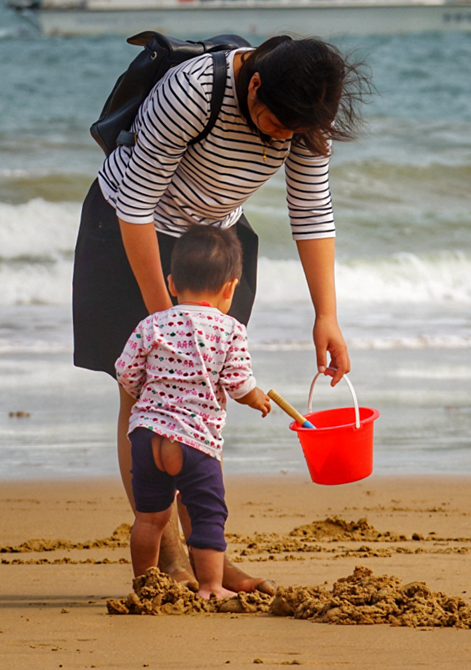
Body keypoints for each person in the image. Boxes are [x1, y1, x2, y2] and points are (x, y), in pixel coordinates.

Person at [72, 33, 367, 592]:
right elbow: (134, 205)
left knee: (205, 395)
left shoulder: (304, 119)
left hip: (213, 241)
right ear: (254, 84)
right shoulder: (193, 91)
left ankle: (208, 551)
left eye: (292, 133)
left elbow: (310, 210)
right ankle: (168, 553)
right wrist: (170, 327)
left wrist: (326, 315)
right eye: (274, 124)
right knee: (146, 395)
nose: (281, 138)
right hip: (133, 232)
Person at [115, 227, 272, 597]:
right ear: (231, 288)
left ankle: (146, 583)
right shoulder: (230, 329)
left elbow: (125, 371)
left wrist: (145, 393)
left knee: (150, 518)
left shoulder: (151, 324)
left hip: (149, 435)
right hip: (196, 442)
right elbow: (238, 383)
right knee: (207, 516)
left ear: (171, 283)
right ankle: (212, 585)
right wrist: (257, 398)